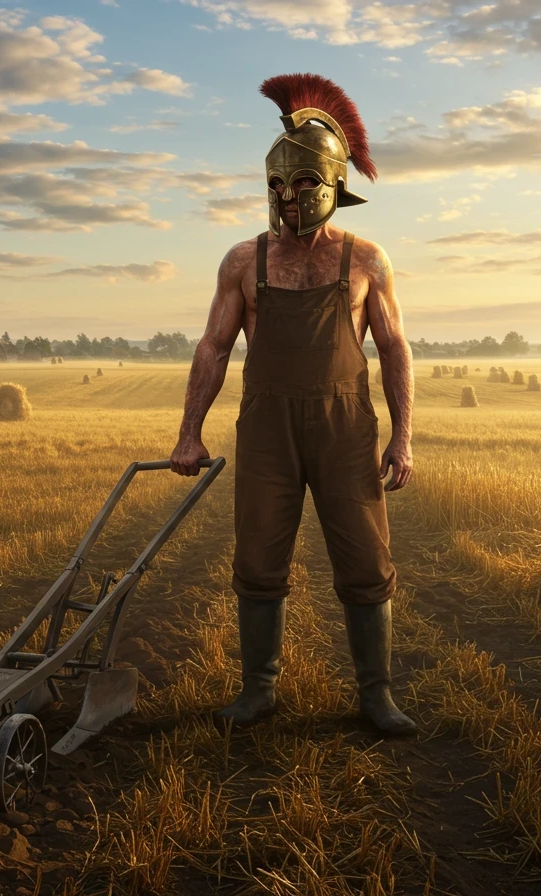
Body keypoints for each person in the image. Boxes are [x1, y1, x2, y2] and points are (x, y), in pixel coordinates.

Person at [169, 73, 416, 737]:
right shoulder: (243, 261)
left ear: (334, 182)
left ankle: (376, 696)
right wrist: (189, 432)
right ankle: (259, 691)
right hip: (267, 429)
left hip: (344, 427)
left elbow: (394, 349)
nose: (288, 198)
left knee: (366, 561)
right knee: (257, 559)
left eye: (303, 183)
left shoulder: (366, 260)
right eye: (278, 185)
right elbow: (213, 348)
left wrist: (402, 438)